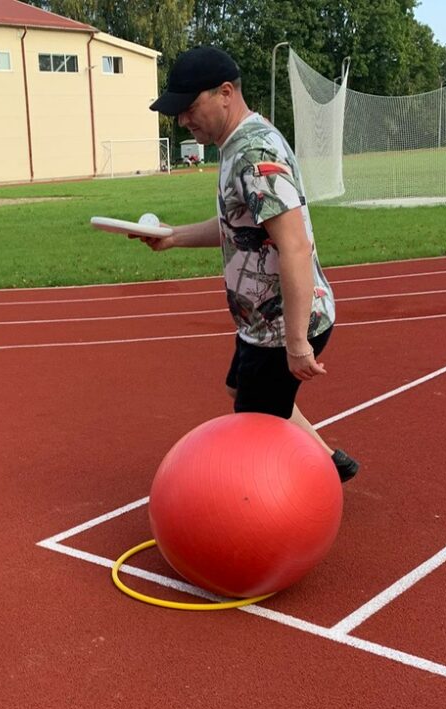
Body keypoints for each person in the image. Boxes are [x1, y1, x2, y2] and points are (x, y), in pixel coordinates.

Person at [140, 47, 358, 482]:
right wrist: (173, 237)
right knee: (241, 389)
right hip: (261, 324)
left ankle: (305, 487)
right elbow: (239, 225)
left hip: (281, 326)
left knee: (255, 429)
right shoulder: (238, 143)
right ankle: (329, 462)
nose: (182, 120)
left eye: (189, 107)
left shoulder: (252, 154)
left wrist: (296, 342)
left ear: (225, 93)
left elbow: (293, 246)